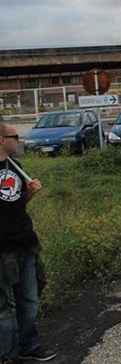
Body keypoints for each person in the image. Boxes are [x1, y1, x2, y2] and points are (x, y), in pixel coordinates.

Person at [0, 123, 56, 363]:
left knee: (29, 300)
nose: (18, 139)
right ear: (2, 140)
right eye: (15, 136)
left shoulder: (15, 166)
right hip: (1, 248)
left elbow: (17, 205)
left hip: (25, 242)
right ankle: (8, 353)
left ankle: (29, 344)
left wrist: (30, 194)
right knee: (2, 308)